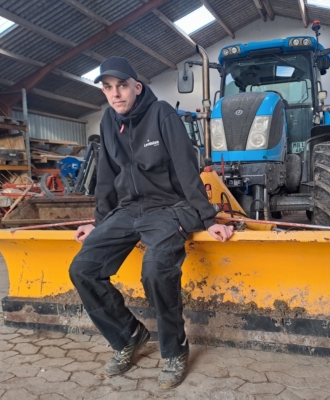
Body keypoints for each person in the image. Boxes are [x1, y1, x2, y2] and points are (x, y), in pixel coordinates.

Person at [69, 56, 233, 390]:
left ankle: (175, 350)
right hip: (129, 209)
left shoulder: (162, 114)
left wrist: (208, 218)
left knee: (156, 270)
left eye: (122, 86)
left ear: (137, 87)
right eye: (108, 88)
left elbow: (187, 169)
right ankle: (128, 335)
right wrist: (99, 222)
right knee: (82, 269)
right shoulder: (108, 121)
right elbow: (106, 175)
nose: (115, 94)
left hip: (169, 207)